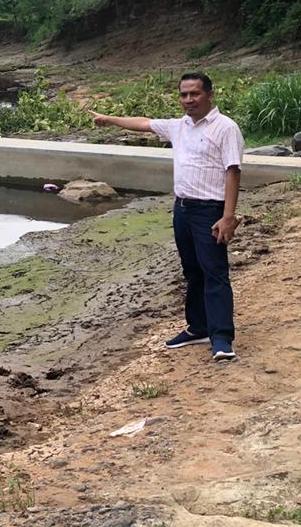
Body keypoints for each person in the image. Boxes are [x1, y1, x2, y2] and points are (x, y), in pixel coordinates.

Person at [87, 72, 244, 362]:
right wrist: (109, 119)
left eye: (194, 94)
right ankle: (197, 328)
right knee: (192, 271)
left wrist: (228, 217)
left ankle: (221, 337)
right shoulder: (179, 127)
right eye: (184, 95)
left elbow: (232, 171)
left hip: (210, 210)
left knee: (214, 273)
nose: (188, 100)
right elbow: (144, 124)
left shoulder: (225, 128)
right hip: (182, 209)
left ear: (210, 94)